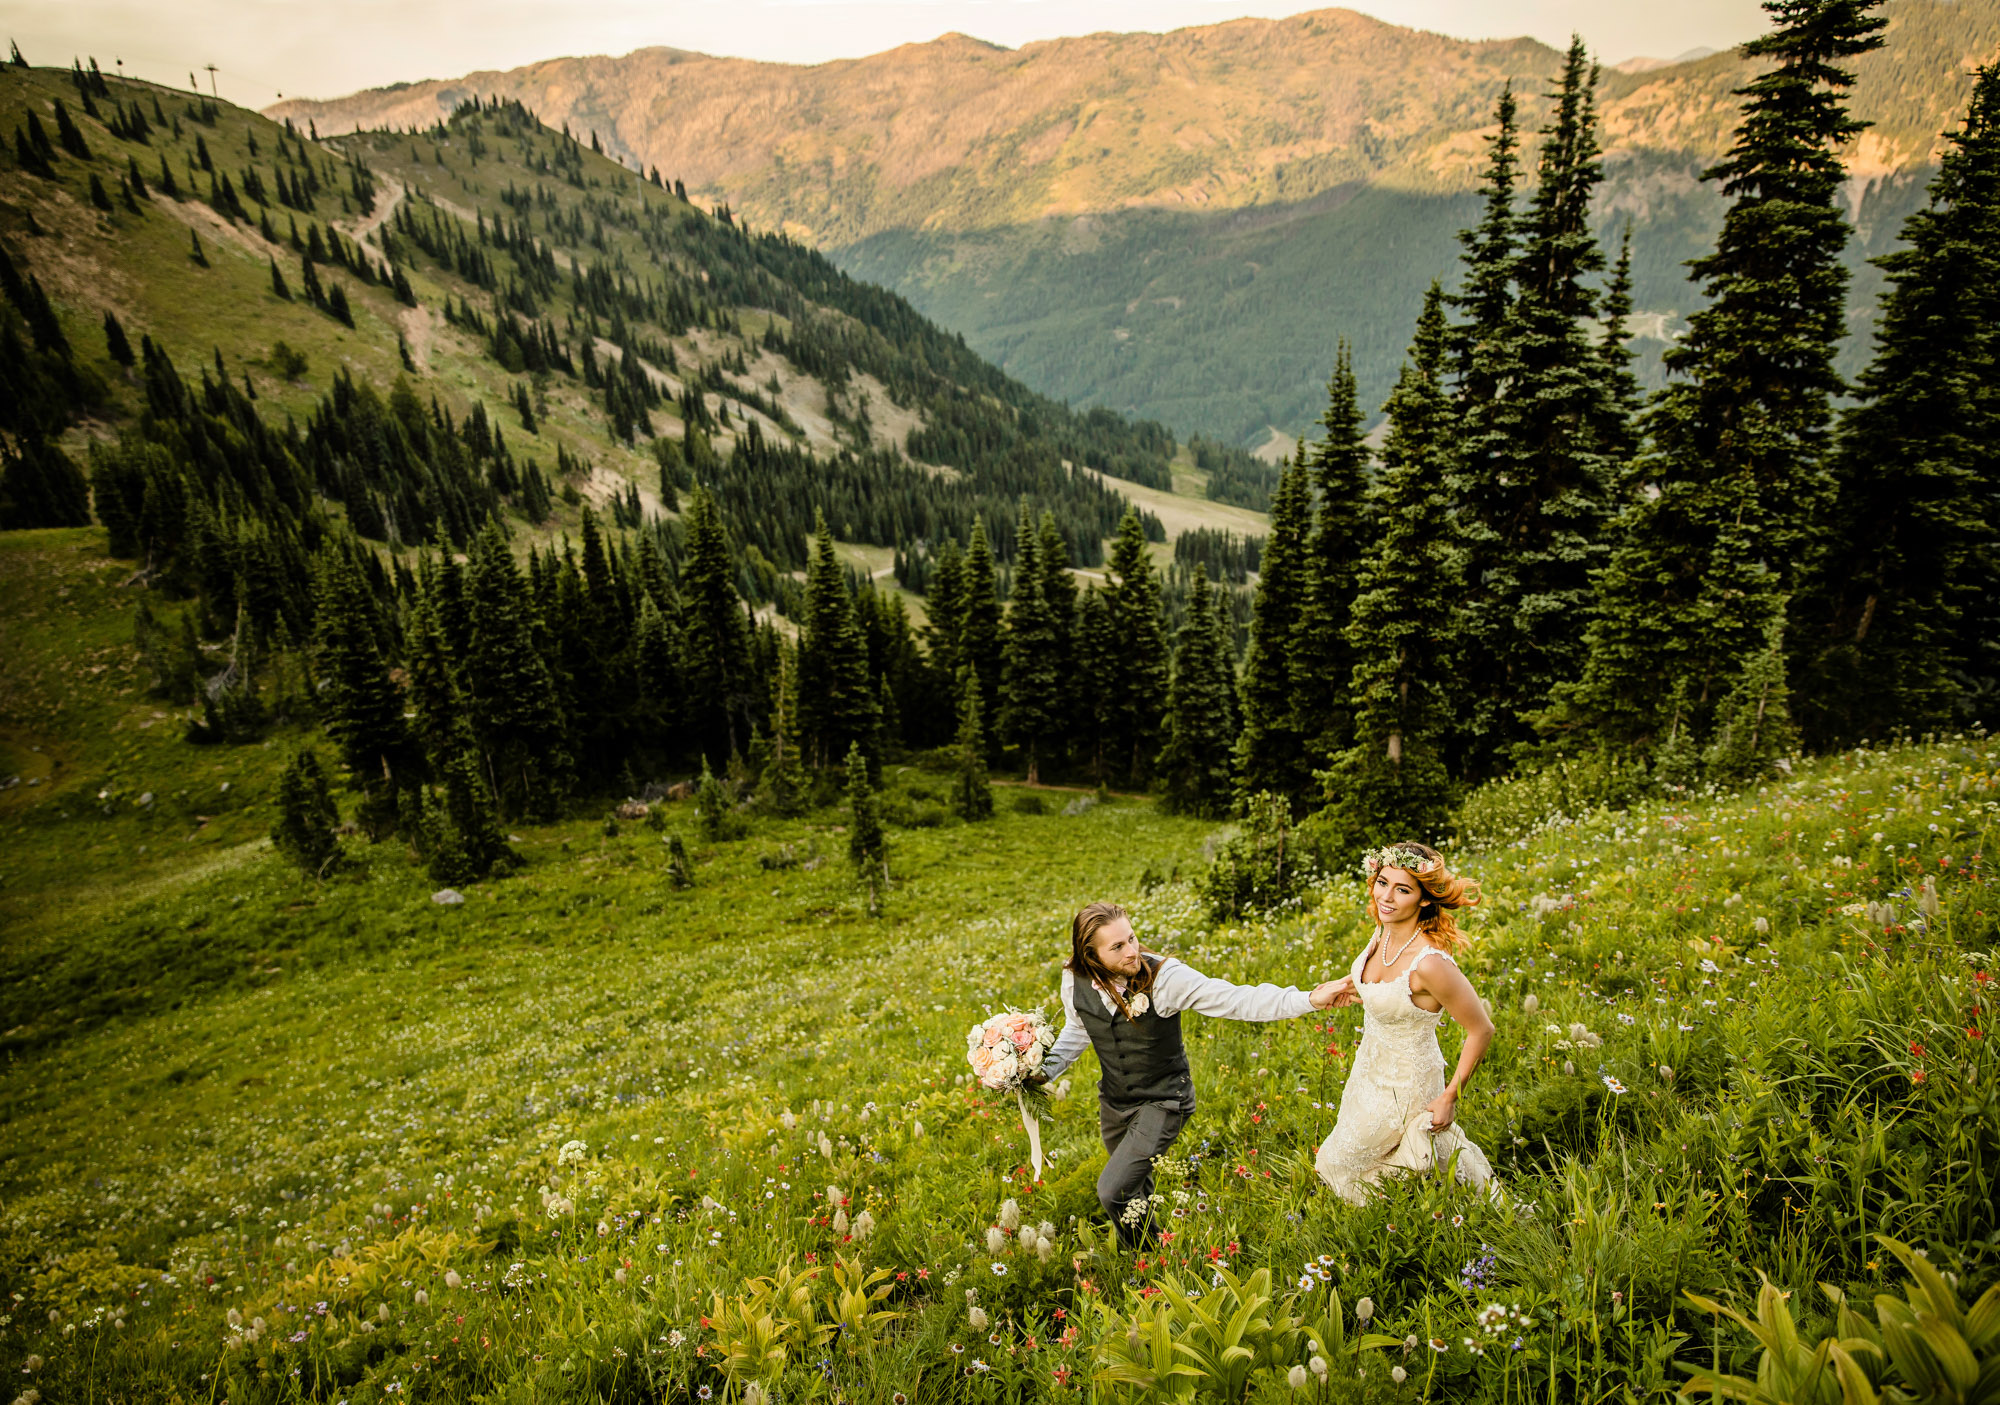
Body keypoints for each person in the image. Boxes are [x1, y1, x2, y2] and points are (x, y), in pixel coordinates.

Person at [1036, 900, 1343, 1246]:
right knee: (1135, 1187)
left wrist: (1309, 999)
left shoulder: (1166, 979)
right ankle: (1149, 1259)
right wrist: (1038, 1073)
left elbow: (1236, 1000)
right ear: (1090, 955)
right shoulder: (1074, 979)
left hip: (1165, 1100)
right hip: (1115, 1102)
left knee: (1112, 1190)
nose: (1132, 952)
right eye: (1118, 946)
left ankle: (1145, 1255)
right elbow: (1077, 1031)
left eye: (1132, 939)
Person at [1312, 841, 1499, 1205]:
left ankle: (1405, 1219)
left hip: (1407, 1083)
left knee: (1337, 1161)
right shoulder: (1382, 935)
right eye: (1383, 883)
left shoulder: (1430, 964)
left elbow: (1482, 1029)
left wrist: (1449, 1098)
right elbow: (1385, 988)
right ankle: (1412, 1212)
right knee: (1357, 1163)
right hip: (1368, 1072)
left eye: (1403, 890)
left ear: (1424, 899)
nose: (1387, 897)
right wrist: (1347, 989)